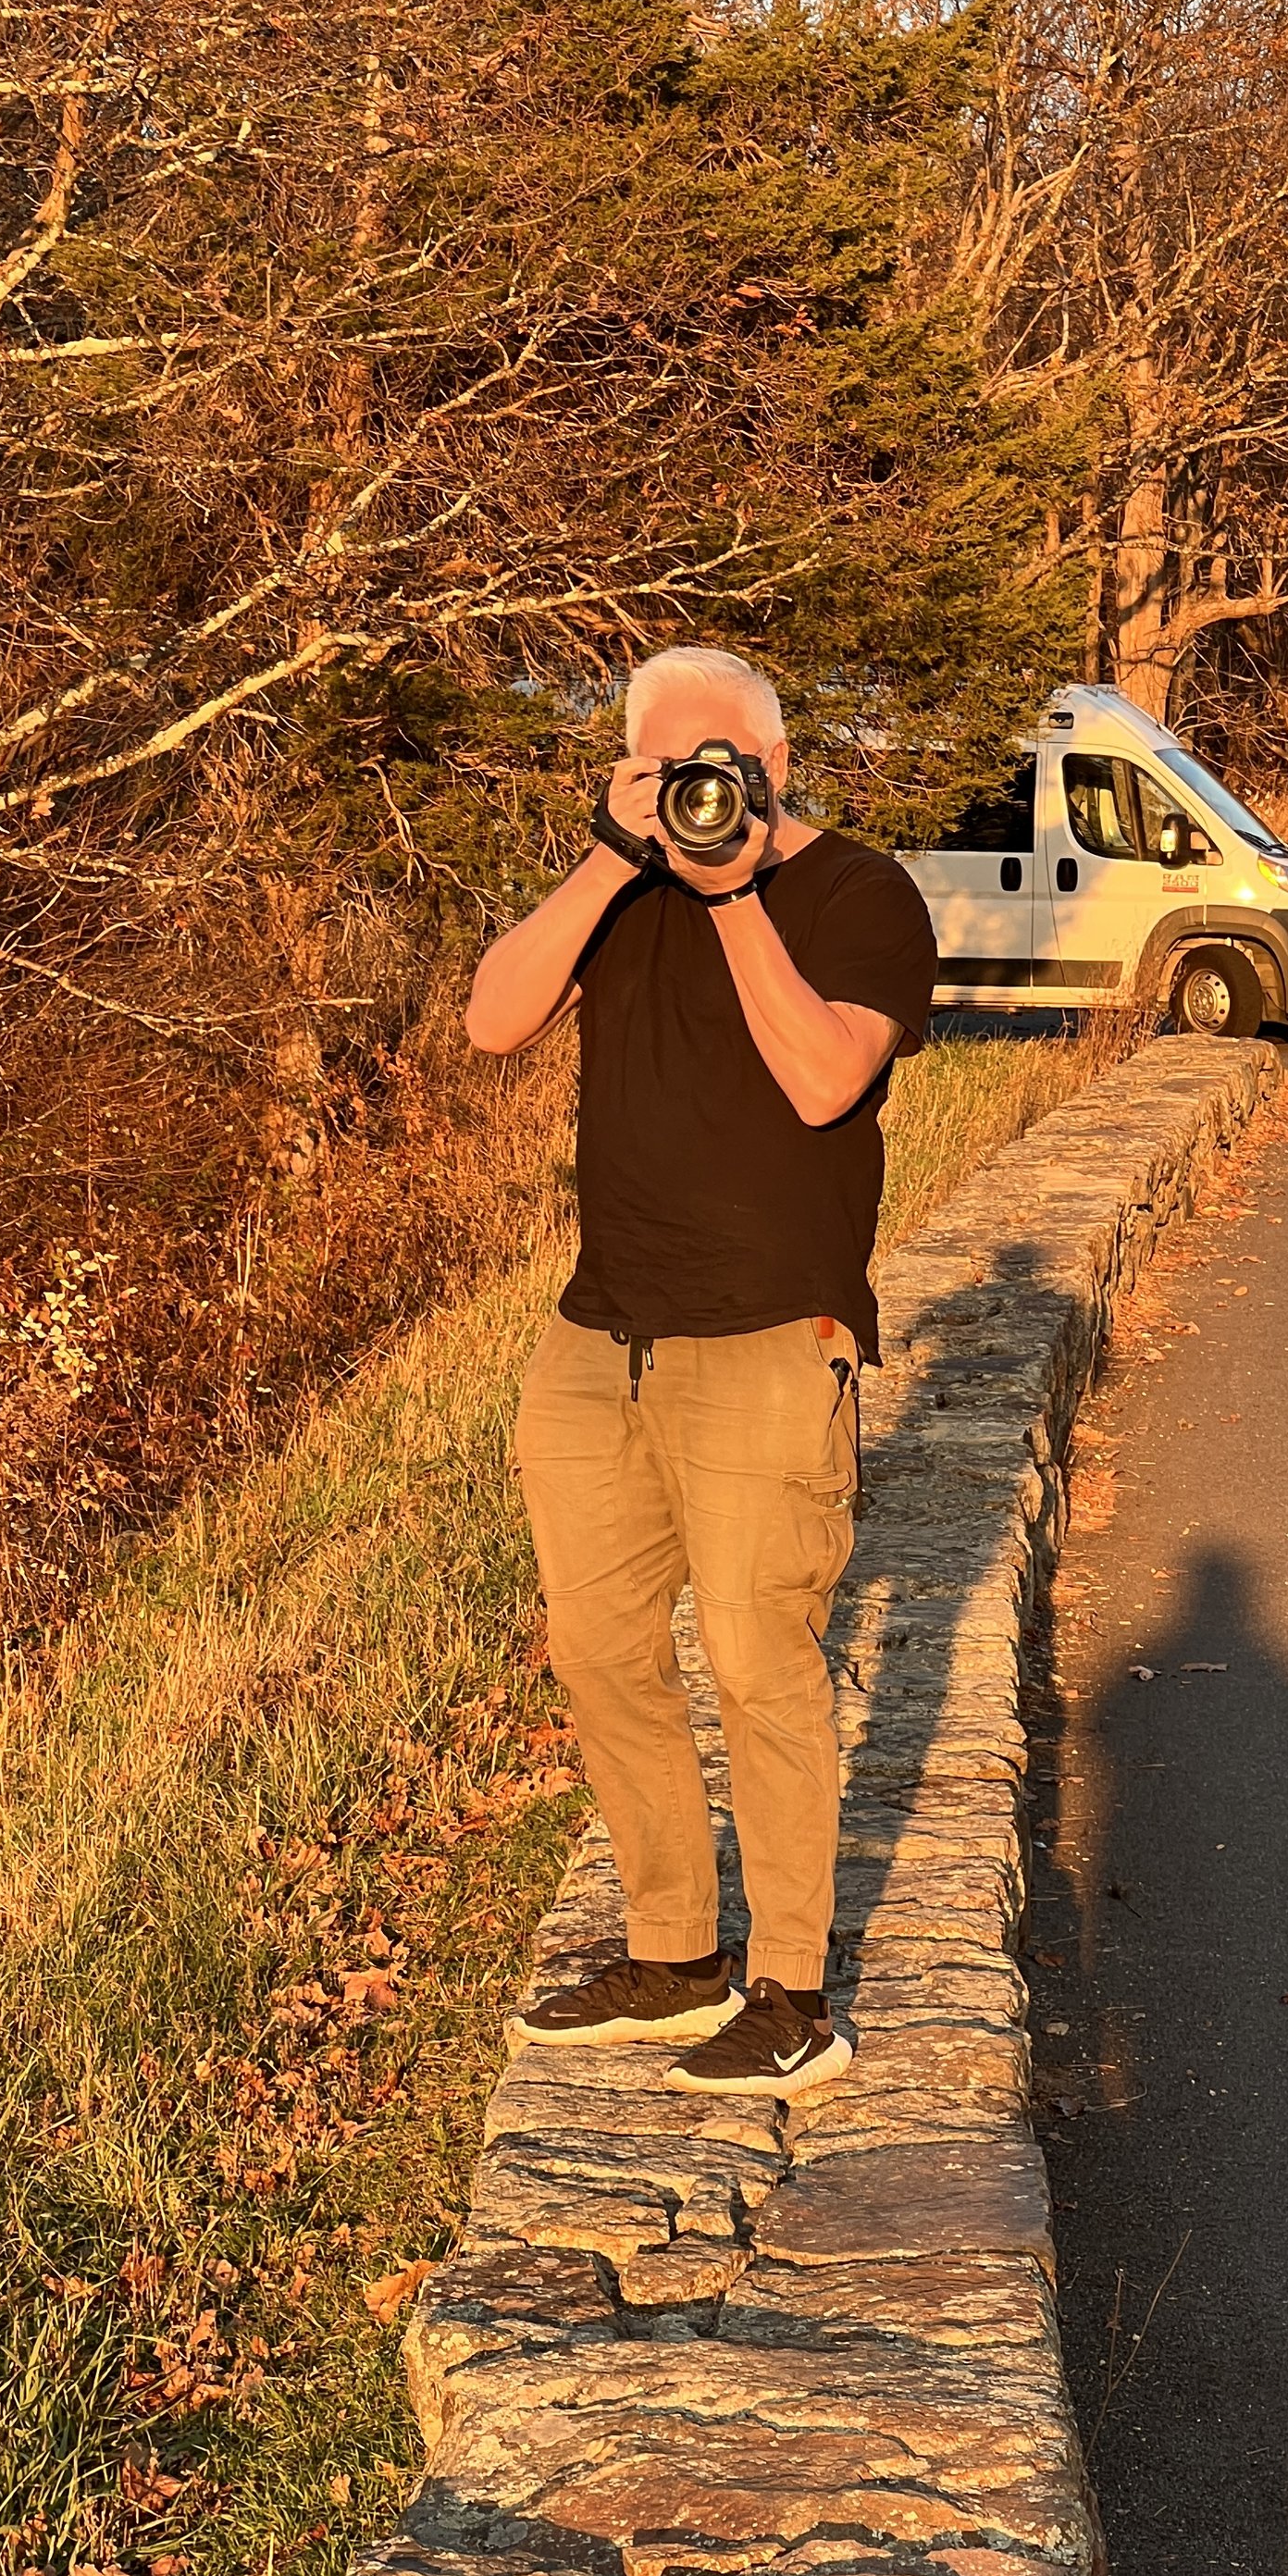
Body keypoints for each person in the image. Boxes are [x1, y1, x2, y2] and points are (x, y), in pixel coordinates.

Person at [464, 645, 938, 2097]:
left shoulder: (863, 896)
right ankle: (674, 1950)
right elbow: (491, 1018)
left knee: (758, 1661)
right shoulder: (624, 888)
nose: (704, 785)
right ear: (636, 767)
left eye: (724, 758)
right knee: (601, 1650)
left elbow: (822, 1078)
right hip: (598, 1334)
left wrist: (732, 896)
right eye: (675, 763)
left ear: (778, 762)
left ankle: (793, 1986)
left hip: (769, 1336)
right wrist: (614, 860)